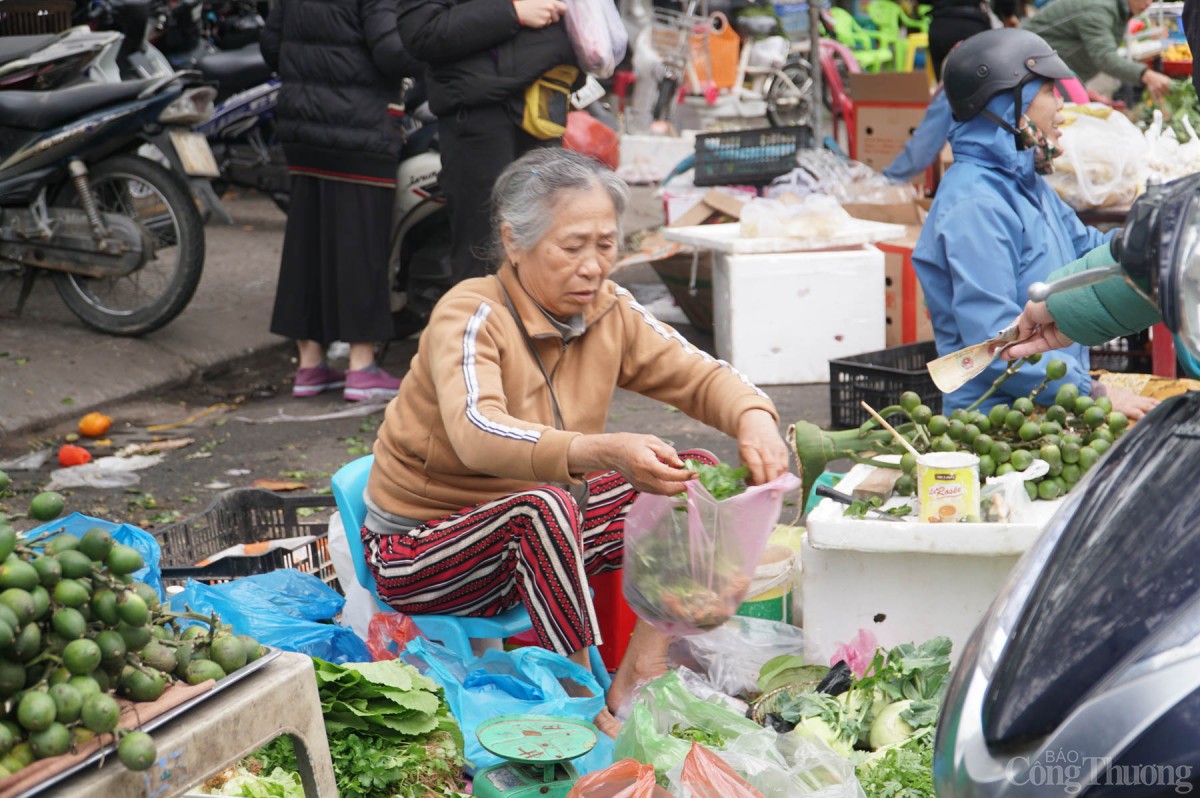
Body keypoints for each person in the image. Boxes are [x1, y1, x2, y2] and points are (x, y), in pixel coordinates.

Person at [360, 148, 790, 734]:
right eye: (573, 247)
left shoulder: (609, 311)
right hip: (423, 549)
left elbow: (700, 373)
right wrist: (605, 450)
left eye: (606, 245)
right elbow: (477, 433)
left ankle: (641, 665)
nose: (593, 266)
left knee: (694, 474)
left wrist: (752, 416)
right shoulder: (470, 314)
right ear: (515, 242)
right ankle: (576, 691)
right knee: (546, 504)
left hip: (548, 531)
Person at [912, 28, 1156, 419]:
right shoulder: (975, 204)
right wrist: (1090, 390)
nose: (1061, 106)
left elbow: (1090, 251)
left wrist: (1157, 242)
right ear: (1009, 104)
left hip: (1051, 406)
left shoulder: (1027, 185)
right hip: (997, 423)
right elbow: (994, 341)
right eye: (1047, 92)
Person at [392, 0, 579, 339]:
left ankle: (536, 372)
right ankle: (477, 372)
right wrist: (512, 12)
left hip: (543, 107)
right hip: (479, 117)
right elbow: (422, 33)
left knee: (543, 251)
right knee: (484, 256)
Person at [261, 0, 418, 401]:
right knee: (358, 246)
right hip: (358, 127)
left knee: (305, 246)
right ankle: (361, 366)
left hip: (303, 127)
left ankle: (310, 365)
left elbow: (271, 47)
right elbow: (390, 51)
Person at [1022, 0, 1172, 102]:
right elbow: (1104, 56)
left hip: (1049, 75)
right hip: (1028, 72)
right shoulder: (1100, 8)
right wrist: (1147, 75)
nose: (1148, 3)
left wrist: (1080, 88)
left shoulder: (1115, 8)